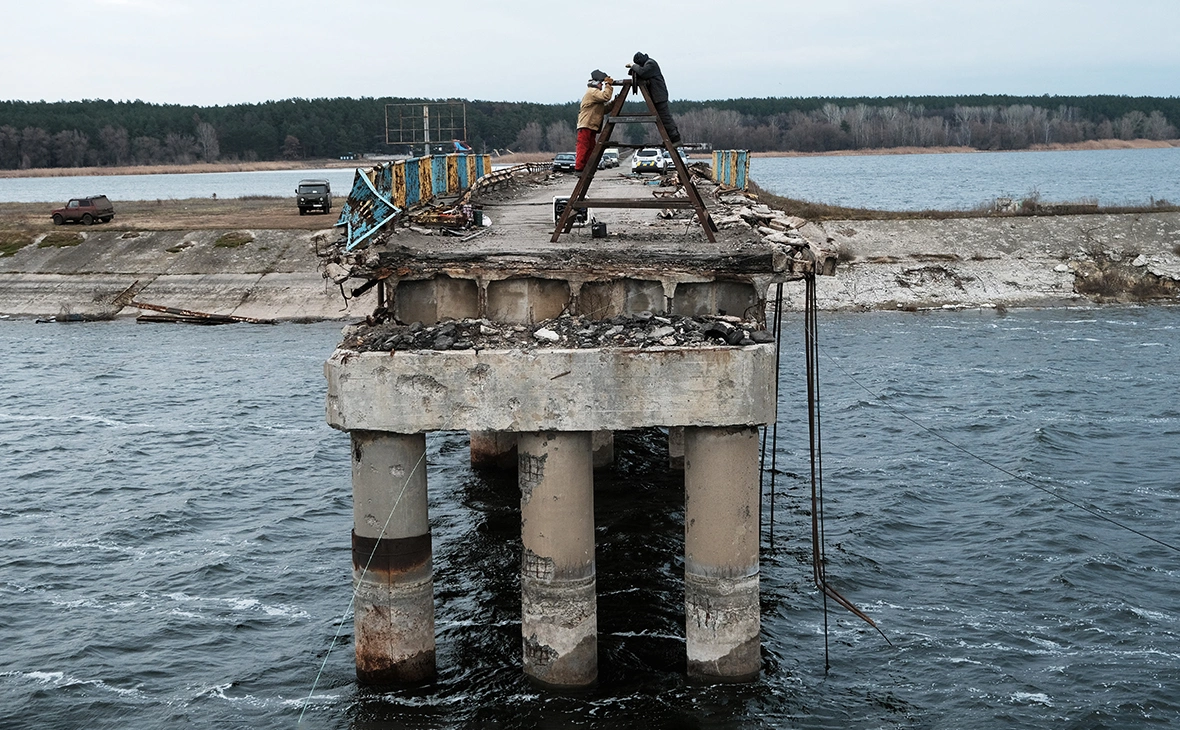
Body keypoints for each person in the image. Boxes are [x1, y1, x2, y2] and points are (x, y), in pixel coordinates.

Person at [626, 52, 680, 144]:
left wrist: (633, 66)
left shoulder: (651, 64)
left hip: (659, 96)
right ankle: (670, 139)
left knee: (665, 118)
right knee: (662, 119)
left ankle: (675, 139)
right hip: (657, 96)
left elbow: (643, 73)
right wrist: (634, 68)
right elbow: (635, 72)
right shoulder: (647, 64)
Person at [575, 69, 614, 173]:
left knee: (590, 147)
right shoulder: (592, 92)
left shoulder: (595, 95)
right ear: (596, 83)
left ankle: (586, 166)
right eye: (601, 83)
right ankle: (579, 167)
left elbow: (603, 110)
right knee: (583, 146)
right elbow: (606, 96)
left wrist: (614, 103)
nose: (602, 85)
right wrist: (608, 85)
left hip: (590, 125)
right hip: (586, 124)